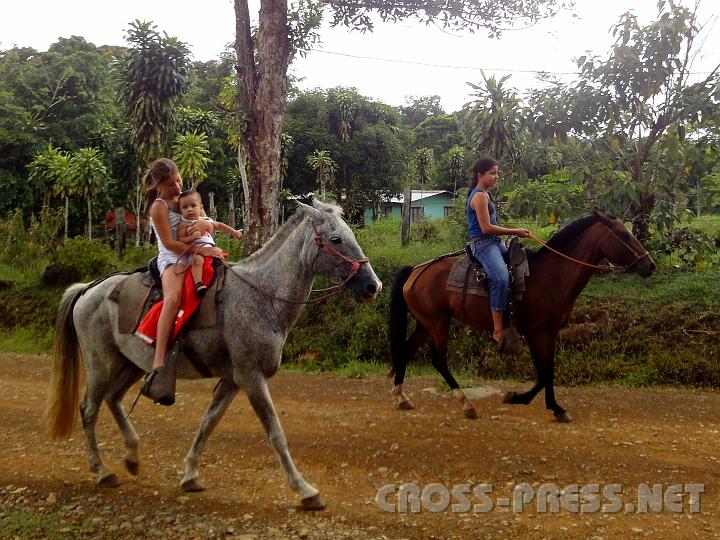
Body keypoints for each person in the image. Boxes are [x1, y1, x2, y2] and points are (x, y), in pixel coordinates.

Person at [139, 159, 224, 405]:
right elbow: (169, 244)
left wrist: (207, 227)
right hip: (173, 257)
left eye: (178, 180)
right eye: (170, 184)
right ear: (158, 186)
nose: (177, 187)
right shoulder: (159, 207)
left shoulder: (186, 198)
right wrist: (201, 250)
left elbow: (207, 222)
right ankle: (158, 361)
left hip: (197, 250)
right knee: (173, 298)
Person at [467, 157, 531, 347]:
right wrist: (515, 231)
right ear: (481, 175)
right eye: (493, 173)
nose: (497, 177)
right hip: (484, 244)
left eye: (497, 173)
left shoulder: (485, 194)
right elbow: (486, 228)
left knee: (522, 265)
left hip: (494, 243)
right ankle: (497, 330)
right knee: (501, 278)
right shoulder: (479, 196)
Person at [177, 189, 242, 297]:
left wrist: (234, 232)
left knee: (221, 264)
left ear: (200, 207)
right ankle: (198, 283)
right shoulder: (183, 224)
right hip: (196, 251)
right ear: (180, 211)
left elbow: (219, 225)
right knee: (197, 260)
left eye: (193, 206)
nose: (189, 210)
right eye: (185, 207)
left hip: (211, 249)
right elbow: (181, 240)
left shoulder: (206, 220)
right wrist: (192, 237)